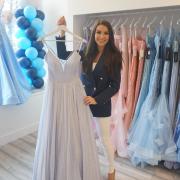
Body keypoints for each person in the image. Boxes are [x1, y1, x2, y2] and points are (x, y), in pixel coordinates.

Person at [56, 16, 122, 180]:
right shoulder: (85, 52)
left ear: (110, 35)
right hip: (81, 101)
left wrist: (97, 99)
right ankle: (83, 167)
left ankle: (111, 169)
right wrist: (61, 32)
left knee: (104, 139)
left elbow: (114, 85)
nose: (102, 36)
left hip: (100, 103)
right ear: (93, 34)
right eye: (99, 32)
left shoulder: (114, 56)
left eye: (106, 33)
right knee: (80, 137)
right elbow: (63, 55)